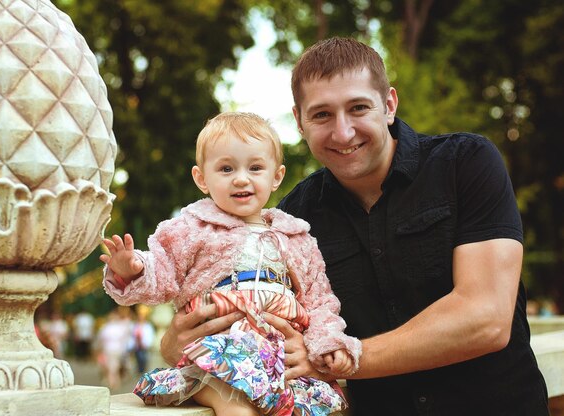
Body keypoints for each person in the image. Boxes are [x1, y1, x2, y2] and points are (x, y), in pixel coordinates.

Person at [159, 38, 549, 415]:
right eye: (322, 114)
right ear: (299, 121)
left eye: (358, 108)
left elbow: (485, 319)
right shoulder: (292, 220)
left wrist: (340, 361)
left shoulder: (465, 163)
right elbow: (255, 310)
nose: (343, 132)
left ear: (389, 104)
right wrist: (176, 342)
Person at [100, 112, 361, 415]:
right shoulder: (192, 228)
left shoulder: (296, 236)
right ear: (202, 178)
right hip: (222, 350)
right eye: (226, 168)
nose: (241, 178)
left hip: (281, 357)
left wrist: (329, 343)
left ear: (276, 176)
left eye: (255, 168)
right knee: (234, 404)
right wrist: (133, 269)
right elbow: (163, 269)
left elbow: (320, 301)